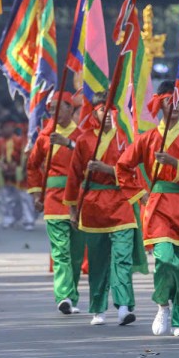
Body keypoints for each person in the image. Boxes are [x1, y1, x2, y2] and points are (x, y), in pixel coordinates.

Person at [117, 83, 179, 337]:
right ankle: (162, 306)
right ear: (160, 104)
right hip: (159, 207)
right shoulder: (147, 139)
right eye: (171, 101)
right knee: (165, 259)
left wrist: (174, 163)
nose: (176, 107)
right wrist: (140, 193)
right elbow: (122, 166)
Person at [65, 93, 143, 327]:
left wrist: (108, 170)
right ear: (94, 113)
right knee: (98, 260)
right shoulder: (84, 140)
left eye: (111, 111)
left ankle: (124, 306)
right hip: (93, 206)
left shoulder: (124, 139)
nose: (107, 115)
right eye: (102, 111)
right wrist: (72, 209)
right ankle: (98, 308)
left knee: (122, 258)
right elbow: (74, 175)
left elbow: (132, 173)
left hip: (121, 204)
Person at [27, 91, 86, 315]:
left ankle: (73, 295)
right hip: (53, 198)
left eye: (59, 108)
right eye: (51, 109)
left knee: (76, 252)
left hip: (77, 198)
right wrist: (35, 195)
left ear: (70, 110)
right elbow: (33, 166)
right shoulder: (44, 137)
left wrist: (68, 143)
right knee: (60, 251)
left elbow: (87, 159)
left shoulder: (81, 136)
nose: (54, 113)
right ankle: (63, 296)